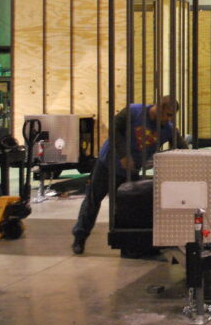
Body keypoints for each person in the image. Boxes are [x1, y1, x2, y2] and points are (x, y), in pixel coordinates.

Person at [71, 96, 187, 254]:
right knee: (93, 199)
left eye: (172, 116)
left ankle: (129, 244)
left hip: (131, 171)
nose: (169, 119)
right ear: (159, 108)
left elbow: (181, 148)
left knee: (129, 207)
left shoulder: (167, 128)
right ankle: (80, 237)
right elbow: (114, 128)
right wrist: (123, 154)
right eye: (168, 114)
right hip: (107, 164)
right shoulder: (134, 111)